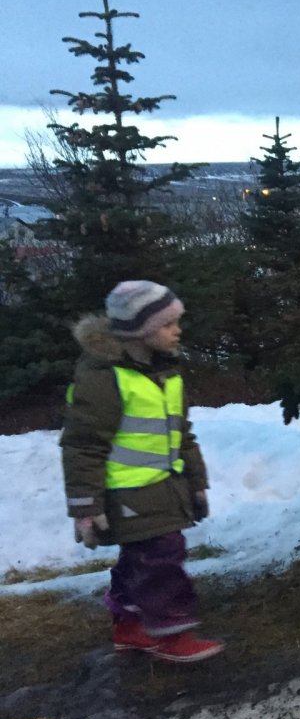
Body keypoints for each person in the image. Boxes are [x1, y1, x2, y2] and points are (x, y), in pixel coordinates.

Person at [60, 281, 223, 662]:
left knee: (140, 559)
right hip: (126, 494)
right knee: (163, 557)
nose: (177, 331)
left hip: (164, 489)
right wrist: (86, 506)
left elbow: (182, 435)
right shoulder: (106, 378)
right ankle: (172, 633)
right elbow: (82, 445)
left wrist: (197, 485)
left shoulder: (166, 373)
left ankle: (129, 626)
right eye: (168, 325)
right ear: (141, 331)